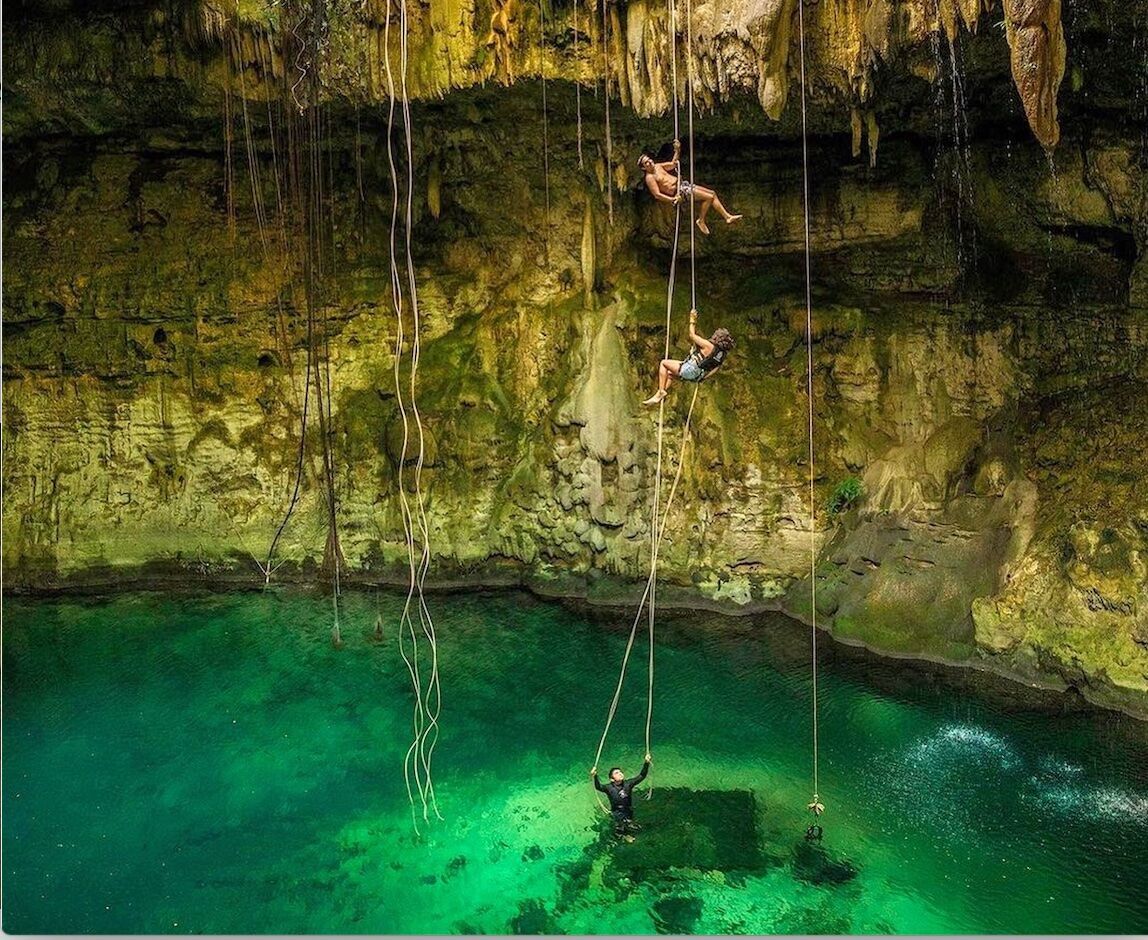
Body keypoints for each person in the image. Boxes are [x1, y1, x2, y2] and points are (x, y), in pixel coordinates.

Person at [638, 139, 742, 235]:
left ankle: (727, 217)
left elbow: (673, 164)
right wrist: (673, 199)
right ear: (644, 167)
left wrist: (677, 150)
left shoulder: (658, 166)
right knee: (708, 197)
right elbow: (657, 195)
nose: (650, 162)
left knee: (712, 194)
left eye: (649, 160)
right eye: (646, 163)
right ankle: (701, 220)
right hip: (679, 192)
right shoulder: (650, 178)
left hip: (683, 185)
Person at [642, 308, 734, 405]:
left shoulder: (709, 346)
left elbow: (692, 335)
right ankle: (659, 395)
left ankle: (661, 391)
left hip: (690, 369)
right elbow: (714, 370)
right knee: (669, 374)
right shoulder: (722, 355)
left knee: (664, 363)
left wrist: (692, 320)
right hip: (697, 376)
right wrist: (702, 378)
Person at [591, 754, 652, 840]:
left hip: (628, 810)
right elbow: (598, 787)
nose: (620, 773)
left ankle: (627, 833)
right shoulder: (609, 788)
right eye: (617, 773)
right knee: (619, 828)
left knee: (630, 824)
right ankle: (623, 836)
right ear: (612, 779)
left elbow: (642, 776)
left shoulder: (628, 784)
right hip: (617, 812)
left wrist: (646, 763)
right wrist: (595, 776)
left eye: (620, 772)